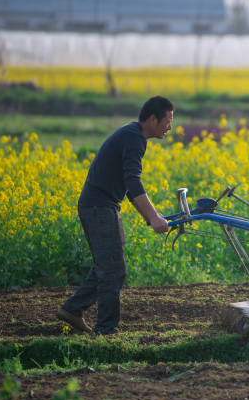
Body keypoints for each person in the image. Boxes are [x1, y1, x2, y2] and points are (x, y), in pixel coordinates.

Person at [57, 96, 173, 335]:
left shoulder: (131, 134)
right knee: (113, 270)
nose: (169, 127)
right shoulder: (134, 138)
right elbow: (132, 181)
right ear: (153, 119)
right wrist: (153, 218)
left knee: (107, 267)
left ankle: (73, 310)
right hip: (100, 207)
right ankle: (106, 331)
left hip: (101, 206)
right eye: (168, 120)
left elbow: (129, 187)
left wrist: (153, 215)